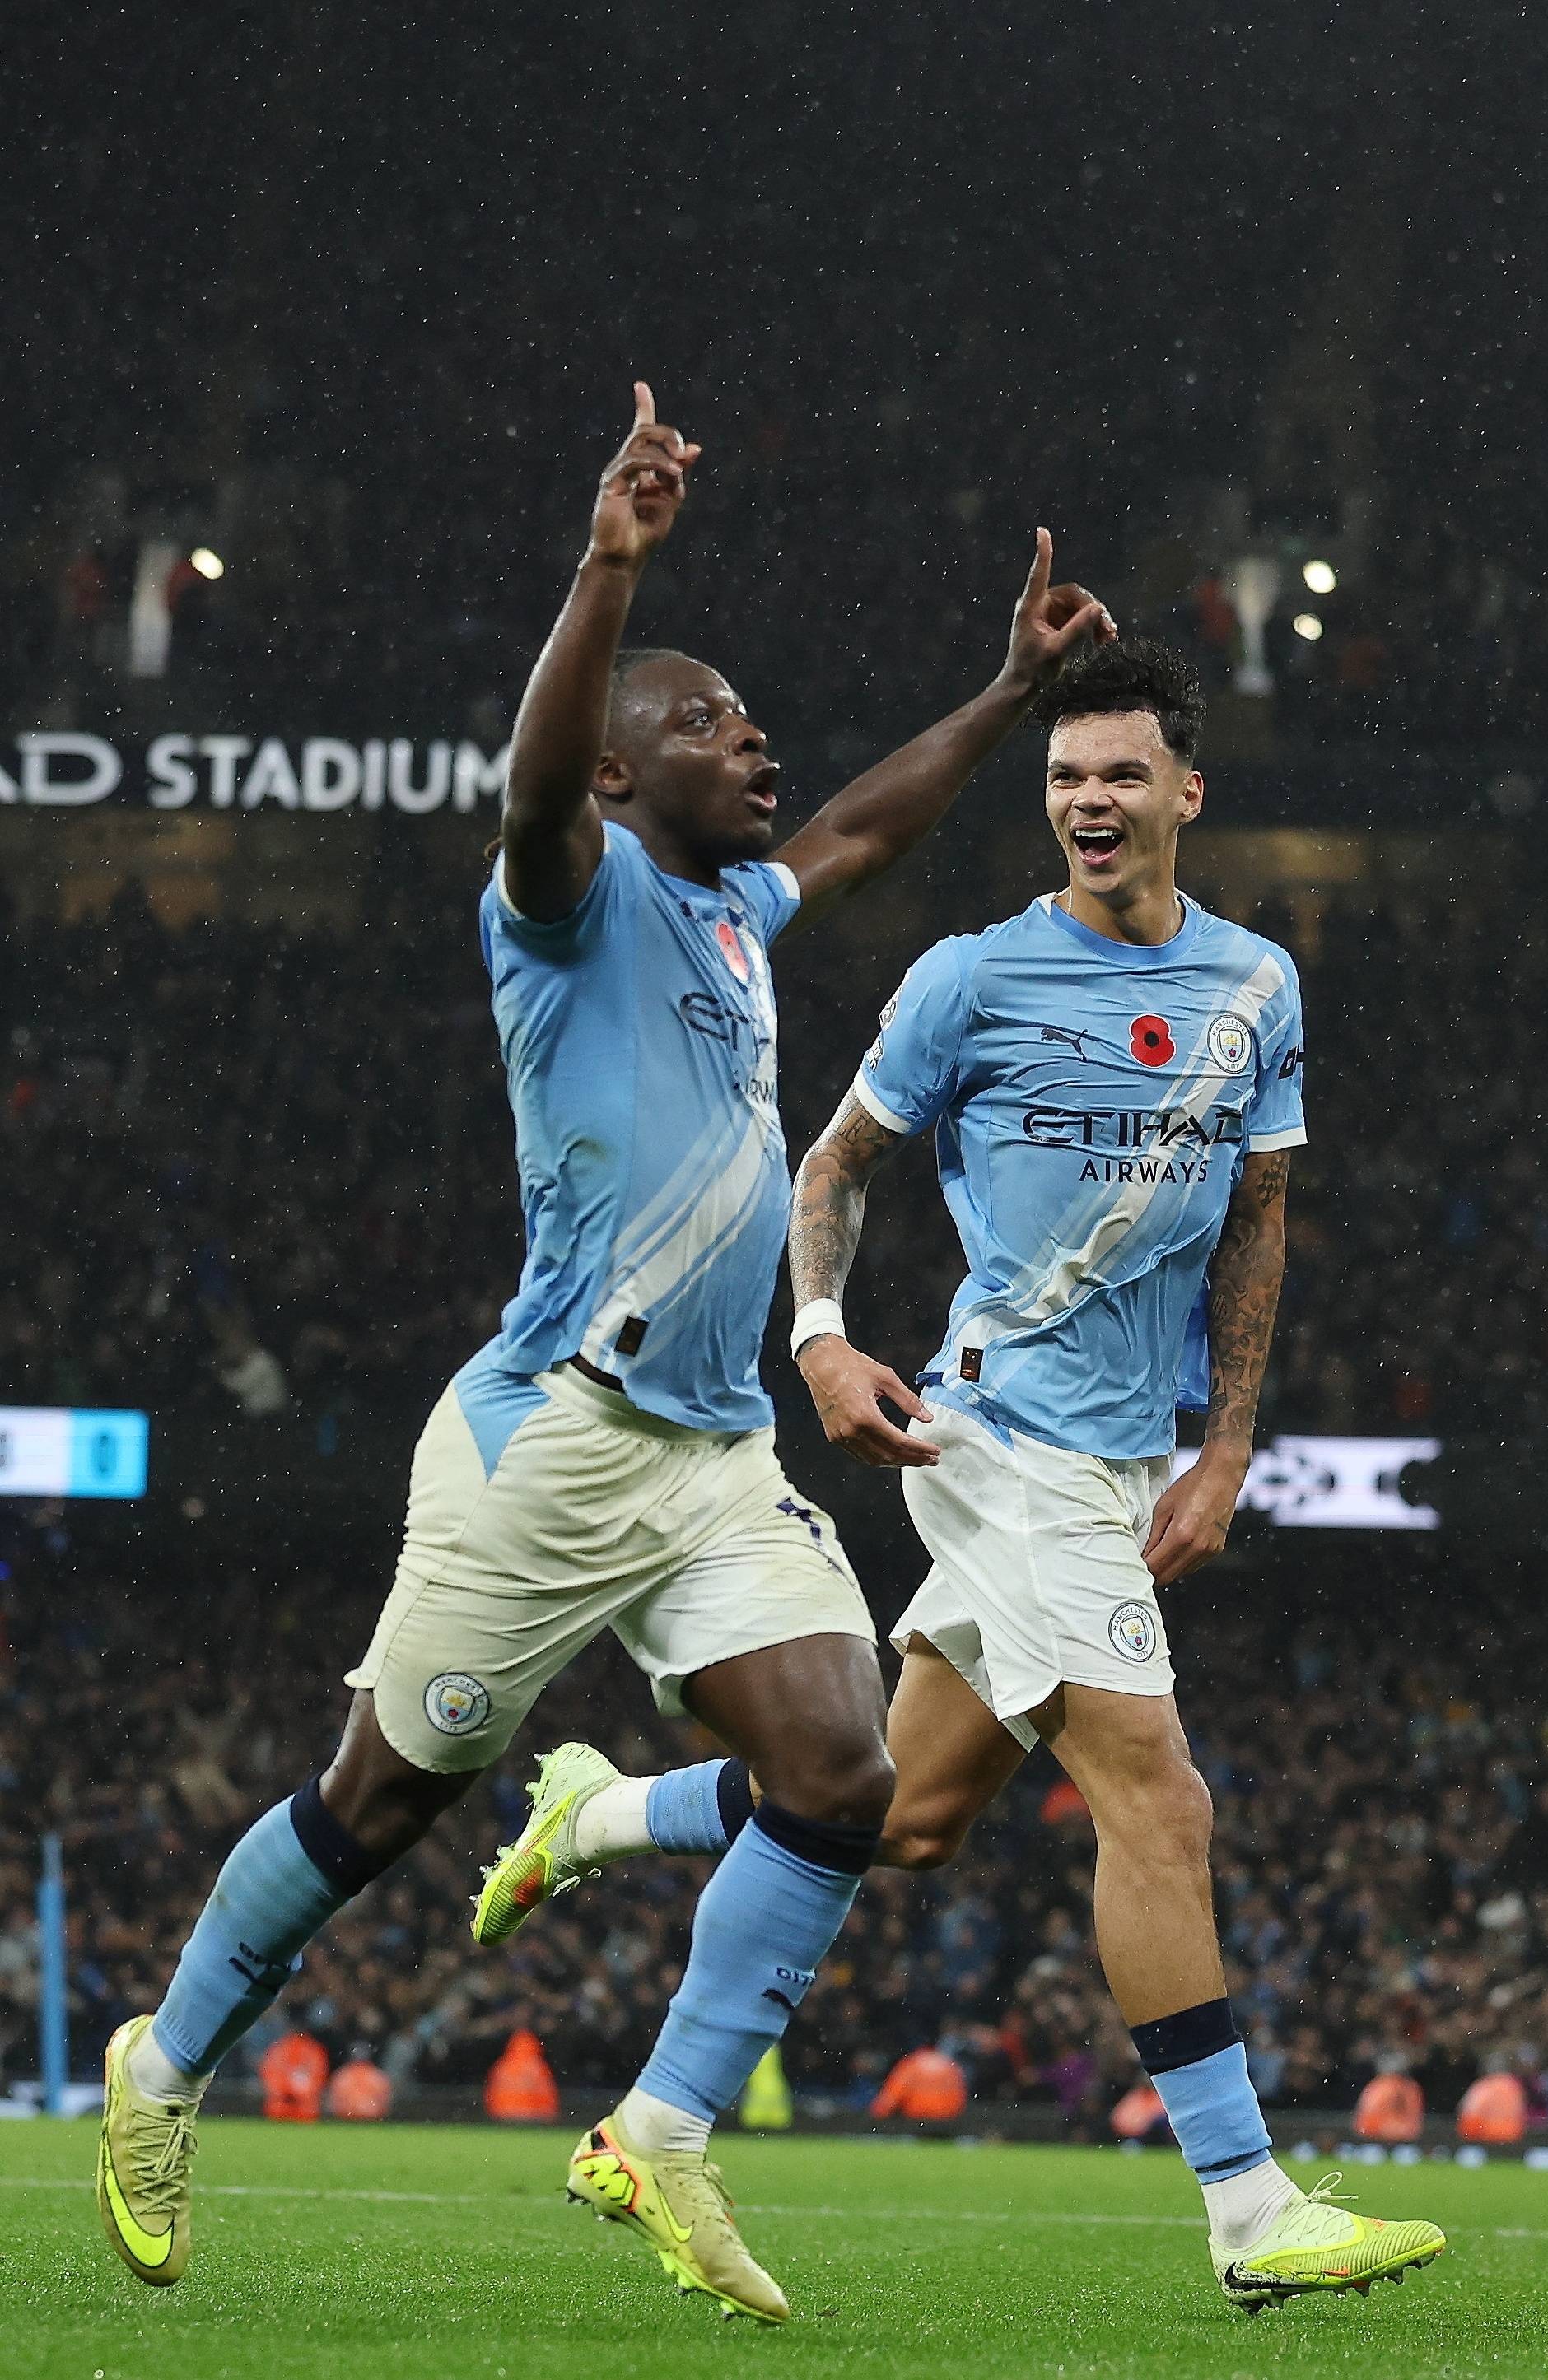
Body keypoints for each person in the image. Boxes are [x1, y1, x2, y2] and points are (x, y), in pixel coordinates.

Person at [96, 384, 1115, 2324]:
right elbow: (532, 789)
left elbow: (860, 827)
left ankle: (660, 2130)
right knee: (376, 1809)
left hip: (713, 1454)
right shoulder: (564, 901)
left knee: (843, 1774)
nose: (755, 741)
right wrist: (608, 567)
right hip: (550, 1438)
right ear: (629, 767)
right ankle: (166, 2061)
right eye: (712, 721)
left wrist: (1002, 693)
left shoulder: (730, 911)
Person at [525, 637, 1447, 2314]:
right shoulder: (971, 977)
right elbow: (832, 1165)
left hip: (1122, 1458)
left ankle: (597, 1831)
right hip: (1000, 1438)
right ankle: (1247, 2208)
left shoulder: (1256, 985)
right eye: (1063, 776)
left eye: (1118, 774)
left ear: (1184, 791)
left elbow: (1258, 1219)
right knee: (1158, 1795)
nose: (1087, 800)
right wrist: (818, 1337)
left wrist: (1225, 1444)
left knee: (901, 1814)